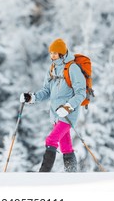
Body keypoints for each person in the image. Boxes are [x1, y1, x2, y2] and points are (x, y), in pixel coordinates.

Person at [20, 38, 86, 172]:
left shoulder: (72, 68)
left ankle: (43, 174)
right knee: (66, 147)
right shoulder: (52, 68)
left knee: (51, 140)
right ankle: (71, 174)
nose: (52, 55)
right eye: (51, 53)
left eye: (55, 53)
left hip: (68, 115)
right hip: (55, 115)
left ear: (62, 53)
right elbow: (46, 91)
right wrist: (32, 97)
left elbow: (81, 93)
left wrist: (68, 107)